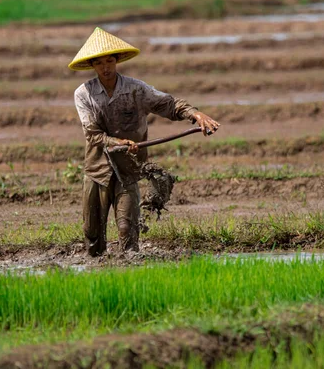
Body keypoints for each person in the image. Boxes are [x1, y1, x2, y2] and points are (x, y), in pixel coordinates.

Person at [68, 27, 220, 257]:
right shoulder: (84, 93)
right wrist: (117, 141)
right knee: (92, 235)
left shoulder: (135, 89)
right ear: (92, 65)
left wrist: (195, 115)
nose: (105, 68)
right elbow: (93, 134)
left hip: (129, 168)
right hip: (98, 170)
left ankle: (129, 269)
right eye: (99, 63)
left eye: (110, 61)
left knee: (128, 230)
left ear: (117, 60)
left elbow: (168, 104)